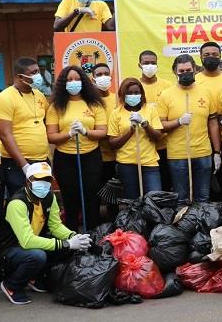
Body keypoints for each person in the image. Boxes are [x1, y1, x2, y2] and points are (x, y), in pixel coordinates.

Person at [0, 162, 91, 305]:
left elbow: (55, 226)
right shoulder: (17, 203)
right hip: (6, 250)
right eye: (39, 180)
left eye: (47, 180)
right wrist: (66, 244)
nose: (44, 184)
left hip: (29, 243)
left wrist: (73, 237)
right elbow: (27, 241)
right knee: (38, 255)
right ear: (28, 182)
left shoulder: (49, 196)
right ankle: (11, 285)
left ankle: (34, 278)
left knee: (66, 249)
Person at [46, 65, 106, 232]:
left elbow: (102, 132)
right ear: (63, 84)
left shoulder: (95, 104)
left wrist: (86, 131)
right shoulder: (56, 106)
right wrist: (69, 134)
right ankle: (72, 236)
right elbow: (51, 136)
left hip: (91, 156)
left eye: (77, 79)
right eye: (69, 80)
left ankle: (92, 234)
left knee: (91, 197)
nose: (73, 82)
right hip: (65, 158)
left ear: (83, 81)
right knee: (70, 198)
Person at [157, 54, 221, 204]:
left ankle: (202, 226)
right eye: (181, 71)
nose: (185, 73)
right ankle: (183, 226)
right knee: (181, 198)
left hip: (203, 153)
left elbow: (213, 123)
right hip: (177, 154)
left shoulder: (206, 92)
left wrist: (217, 152)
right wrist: (178, 122)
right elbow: (160, 126)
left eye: (188, 70)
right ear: (175, 72)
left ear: (194, 70)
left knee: (203, 197)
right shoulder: (166, 95)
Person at [0, 57, 49, 200]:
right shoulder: (5, 98)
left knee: (42, 202)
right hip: (17, 163)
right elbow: (4, 134)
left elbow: (44, 122)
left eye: (38, 71)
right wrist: (24, 166)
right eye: (34, 72)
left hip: (42, 160)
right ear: (20, 76)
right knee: (22, 202)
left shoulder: (39, 95)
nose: (38, 76)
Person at [108, 78, 164, 198]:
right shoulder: (116, 113)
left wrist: (144, 123)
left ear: (141, 94)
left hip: (149, 163)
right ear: (123, 94)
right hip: (126, 164)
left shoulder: (150, 109)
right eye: (129, 93)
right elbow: (112, 144)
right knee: (132, 202)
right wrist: (131, 131)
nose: (133, 95)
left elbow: (158, 137)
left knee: (154, 199)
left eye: (136, 92)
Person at [138, 50, 173, 192]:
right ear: (139, 65)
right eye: (146, 63)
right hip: (142, 146)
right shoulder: (134, 87)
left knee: (164, 185)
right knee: (144, 188)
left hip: (164, 145)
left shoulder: (168, 86)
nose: (150, 66)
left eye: (153, 63)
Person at [91, 63, 118, 219]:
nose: (103, 77)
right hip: (96, 156)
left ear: (111, 76)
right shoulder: (90, 101)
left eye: (105, 74)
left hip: (116, 155)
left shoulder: (118, 99)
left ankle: (115, 226)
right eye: (99, 74)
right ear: (93, 78)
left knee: (113, 196)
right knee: (95, 193)